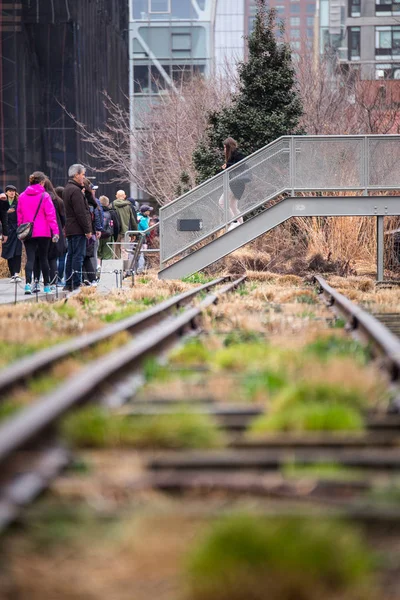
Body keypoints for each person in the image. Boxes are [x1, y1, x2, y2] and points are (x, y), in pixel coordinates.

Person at [17, 171, 59, 295]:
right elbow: (51, 215)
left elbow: (19, 215)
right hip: (44, 232)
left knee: (30, 259)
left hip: (28, 232)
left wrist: (20, 228)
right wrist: (55, 231)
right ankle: (46, 285)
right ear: (42, 182)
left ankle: (28, 285)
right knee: (44, 258)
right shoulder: (45, 196)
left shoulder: (22, 196)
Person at [63, 164, 92, 291]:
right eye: (83, 174)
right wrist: (87, 230)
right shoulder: (75, 191)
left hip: (70, 228)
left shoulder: (67, 188)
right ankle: (76, 282)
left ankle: (68, 283)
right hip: (78, 228)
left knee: (71, 255)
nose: (84, 177)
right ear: (76, 175)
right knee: (78, 256)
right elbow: (81, 212)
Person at [218, 137, 246, 231]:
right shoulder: (234, 156)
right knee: (233, 206)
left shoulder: (237, 155)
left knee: (222, 202)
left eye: (225, 148)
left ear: (228, 147)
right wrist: (226, 167)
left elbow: (240, 164)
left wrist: (227, 166)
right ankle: (242, 225)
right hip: (238, 184)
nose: (224, 150)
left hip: (236, 184)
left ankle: (235, 222)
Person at [1, 185, 22, 280]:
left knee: (17, 252)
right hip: (7, 230)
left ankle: (17, 273)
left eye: (13, 191)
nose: (12, 192)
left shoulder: (18, 202)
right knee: (9, 252)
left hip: (17, 229)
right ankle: (12, 273)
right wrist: (6, 212)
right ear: (6, 192)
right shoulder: (2, 202)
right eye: (10, 191)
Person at [112, 190, 137, 258]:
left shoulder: (112, 205)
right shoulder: (129, 206)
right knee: (125, 251)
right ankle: (124, 268)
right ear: (125, 196)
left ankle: (116, 267)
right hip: (126, 232)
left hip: (115, 232)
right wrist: (134, 233)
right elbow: (133, 220)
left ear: (116, 196)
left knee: (115, 250)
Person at [97, 195, 119, 262]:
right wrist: (115, 237)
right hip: (108, 236)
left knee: (97, 253)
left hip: (97, 235)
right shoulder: (112, 212)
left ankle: (98, 269)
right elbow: (116, 225)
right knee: (107, 255)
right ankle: (105, 271)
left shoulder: (96, 211)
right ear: (108, 203)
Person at [136, 205, 153, 272]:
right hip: (141, 238)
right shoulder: (143, 219)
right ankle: (140, 269)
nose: (149, 212)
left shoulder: (137, 215)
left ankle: (134, 269)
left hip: (134, 237)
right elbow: (147, 230)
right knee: (141, 254)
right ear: (145, 212)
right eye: (148, 211)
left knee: (134, 254)